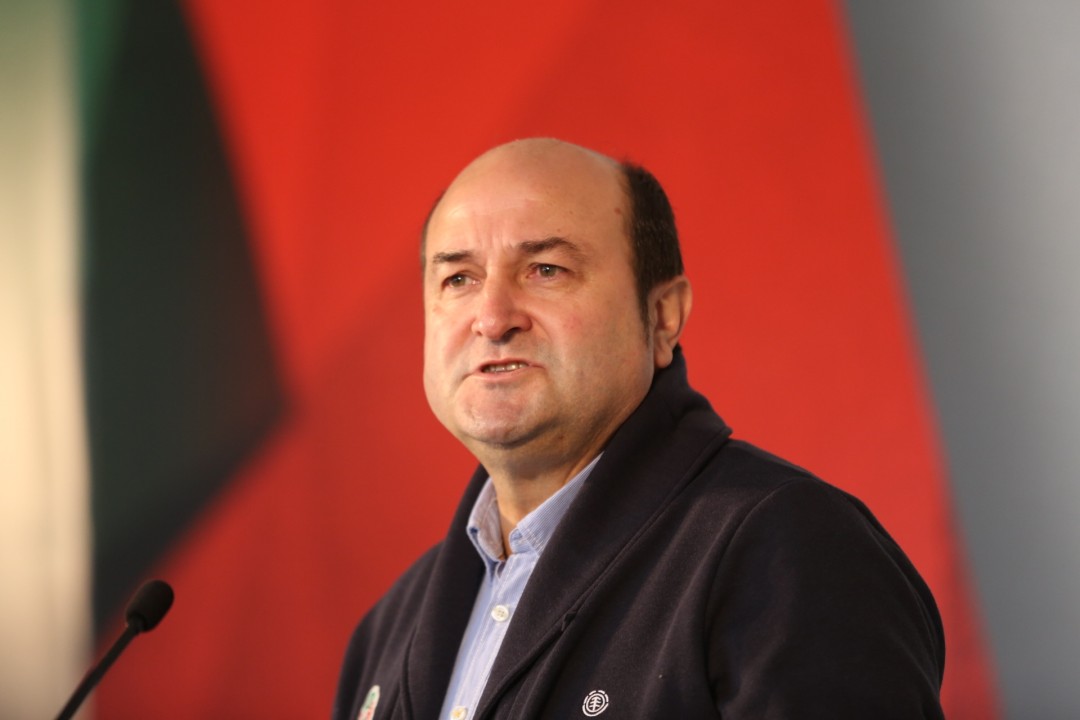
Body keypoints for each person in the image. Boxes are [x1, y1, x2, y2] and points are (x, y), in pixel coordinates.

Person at [333, 138, 945, 720]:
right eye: (458, 279)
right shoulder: (387, 631)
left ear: (662, 316)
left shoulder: (788, 550)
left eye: (546, 269)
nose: (492, 318)